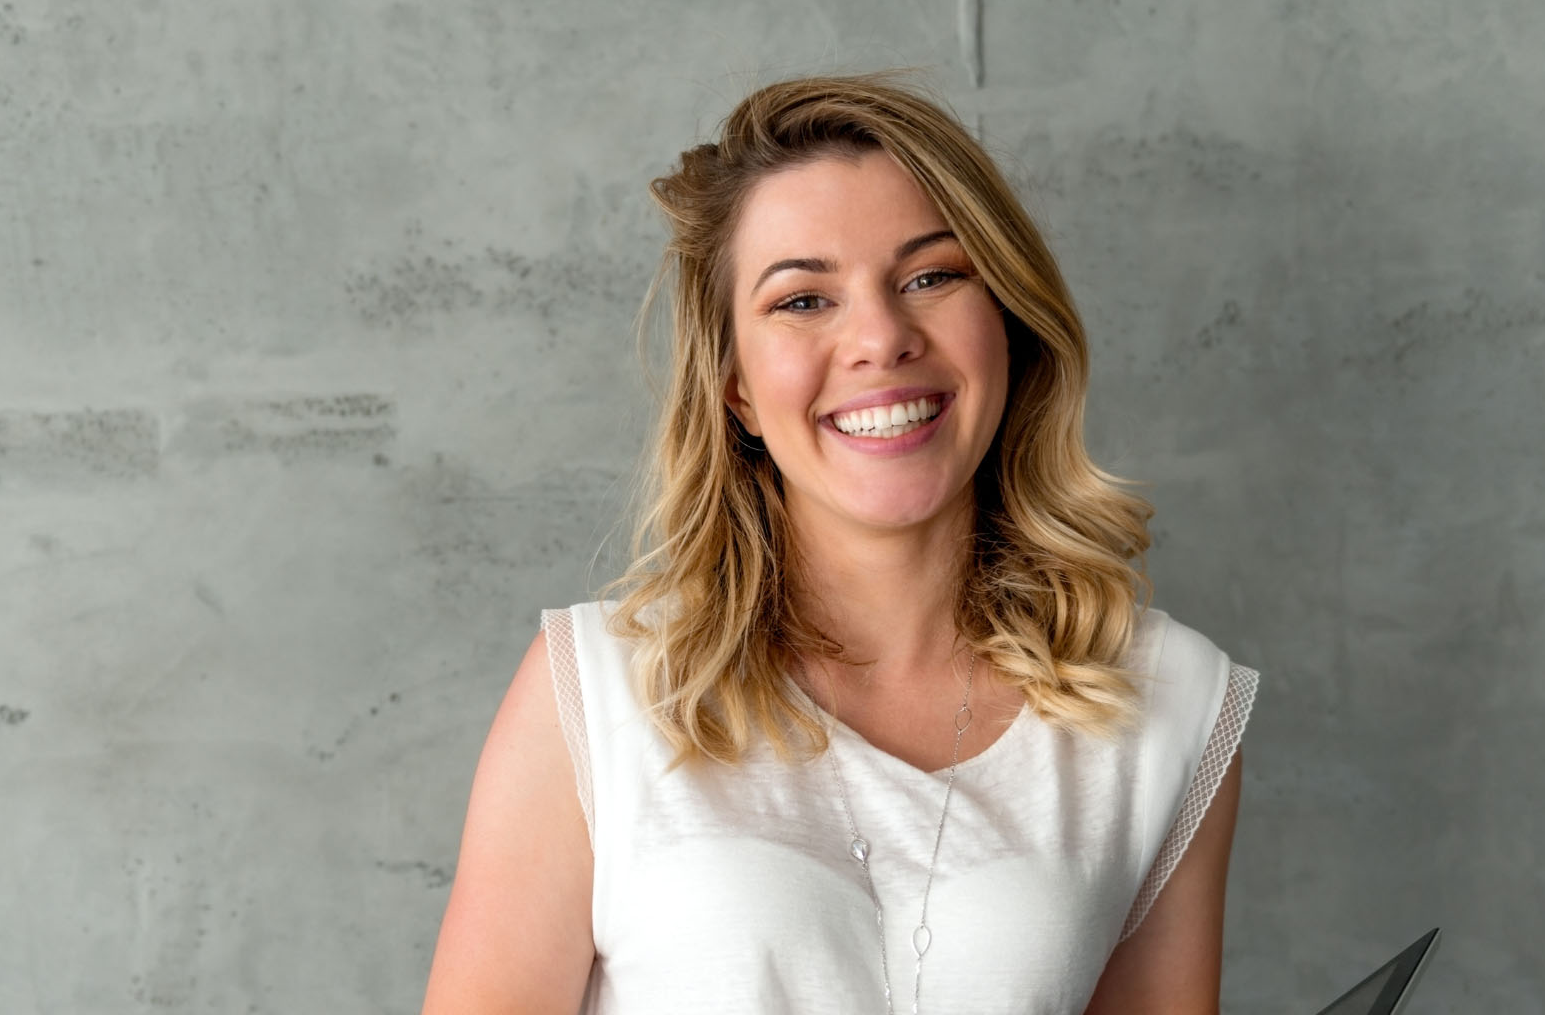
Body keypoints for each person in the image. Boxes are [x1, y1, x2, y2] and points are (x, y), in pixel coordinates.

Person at [421, 73, 1258, 1014]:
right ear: (735, 383)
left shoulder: (1172, 706)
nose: (881, 338)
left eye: (932, 276)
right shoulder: (598, 691)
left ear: (1010, 325)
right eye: (803, 300)